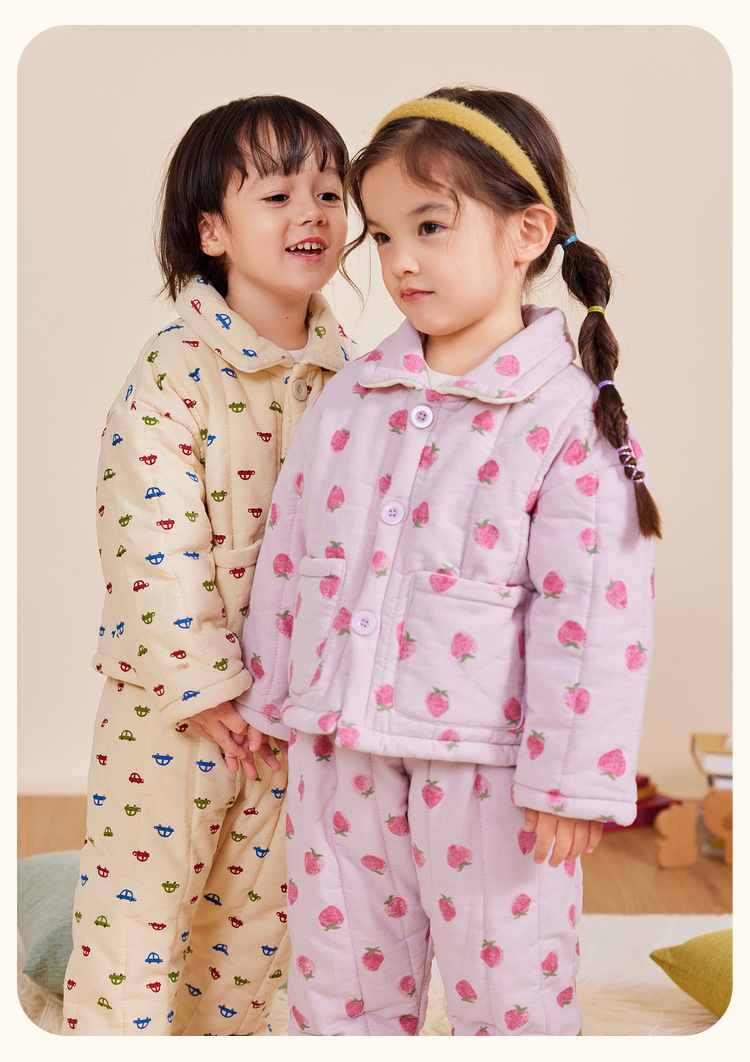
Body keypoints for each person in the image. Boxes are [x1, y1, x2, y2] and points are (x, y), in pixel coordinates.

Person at [233, 86, 660, 1037]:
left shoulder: (569, 416)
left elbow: (596, 611)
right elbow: (291, 556)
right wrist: (271, 697)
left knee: (508, 994)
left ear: (526, 232)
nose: (400, 261)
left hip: (491, 771)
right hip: (340, 749)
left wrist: (572, 778)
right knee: (336, 983)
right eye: (382, 236)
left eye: (429, 226)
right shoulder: (351, 397)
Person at [62, 95, 353, 1036]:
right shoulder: (174, 371)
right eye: (277, 194)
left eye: (329, 192)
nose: (311, 213)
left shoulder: (352, 379)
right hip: (173, 707)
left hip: (290, 713)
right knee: (140, 914)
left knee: (253, 928)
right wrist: (203, 683)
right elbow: (151, 538)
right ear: (212, 231)